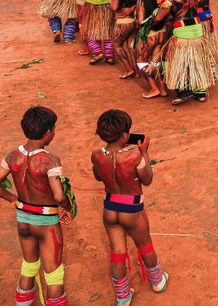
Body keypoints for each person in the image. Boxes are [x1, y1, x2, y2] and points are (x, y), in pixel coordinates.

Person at [0, 106, 73, 306]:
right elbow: (59, 196)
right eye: (54, 129)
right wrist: (68, 207)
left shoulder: (12, 156)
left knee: (29, 266)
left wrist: (12, 199)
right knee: (54, 275)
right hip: (46, 222)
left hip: (23, 219)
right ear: (48, 132)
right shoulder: (50, 160)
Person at [91, 110, 170, 305]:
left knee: (117, 251)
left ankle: (123, 296)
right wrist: (144, 152)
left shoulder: (96, 154)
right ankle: (158, 281)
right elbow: (147, 179)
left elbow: (98, 176)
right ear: (125, 135)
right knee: (145, 244)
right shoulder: (134, 156)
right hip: (132, 209)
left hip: (110, 208)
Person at [150, 0, 218, 104]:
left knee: (174, 60)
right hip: (197, 29)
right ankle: (200, 92)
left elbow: (159, 17)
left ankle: (183, 91)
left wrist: (150, 23)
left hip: (182, 32)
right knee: (196, 60)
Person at [137, 0, 172, 99]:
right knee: (155, 62)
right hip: (161, 33)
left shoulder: (142, 2)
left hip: (150, 35)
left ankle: (154, 88)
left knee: (141, 62)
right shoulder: (160, 1)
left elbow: (141, 22)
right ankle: (163, 89)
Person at [111, 0, 140, 79]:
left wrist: (110, 3)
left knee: (116, 45)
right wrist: (132, 9)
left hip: (122, 23)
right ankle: (137, 72)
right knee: (131, 47)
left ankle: (129, 69)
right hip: (133, 21)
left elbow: (114, 7)